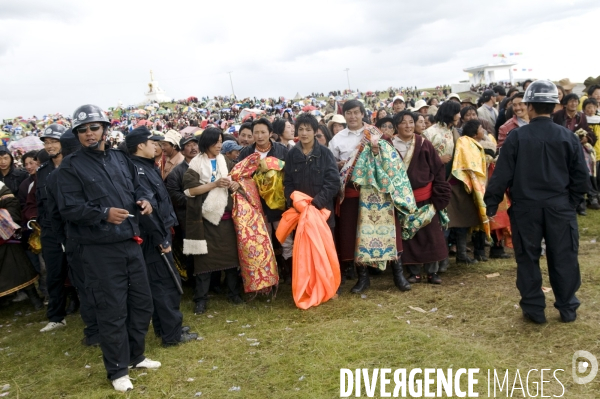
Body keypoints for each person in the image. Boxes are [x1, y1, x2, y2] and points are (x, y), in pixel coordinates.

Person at [55, 104, 160, 392]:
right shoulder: (70, 167)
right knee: (112, 309)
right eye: (83, 130)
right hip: (98, 249)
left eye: (93, 127)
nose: (89, 133)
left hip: (130, 242)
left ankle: (136, 356)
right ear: (77, 134)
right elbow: (69, 207)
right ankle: (117, 370)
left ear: (104, 129)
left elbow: (140, 186)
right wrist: (103, 213)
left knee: (142, 302)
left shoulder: (119, 158)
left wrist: (145, 200)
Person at [484, 80, 589, 324]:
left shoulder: (516, 138)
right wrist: (569, 203)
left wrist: (490, 204)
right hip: (559, 207)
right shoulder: (568, 138)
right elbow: (581, 178)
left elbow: (501, 175)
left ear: (530, 107)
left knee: (528, 258)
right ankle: (567, 307)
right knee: (563, 256)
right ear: (554, 107)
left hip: (526, 209)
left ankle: (534, 310)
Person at [329, 100, 412, 294]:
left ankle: (397, 274)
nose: (352, 116)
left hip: (376, 191)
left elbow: (391, 161)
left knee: (389, 232)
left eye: (356, 112)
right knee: (355, 235)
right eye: (348, 113)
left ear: (362, 114)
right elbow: (331, 163)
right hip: (352, 191)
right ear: (344, 115)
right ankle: (362, 278)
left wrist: (377, 153)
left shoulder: (375, 134)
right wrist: (339, 165)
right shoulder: (337, 139)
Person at [125, 127, 198, 347]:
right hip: (153, 236)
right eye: (152, 142)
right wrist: (161, 239)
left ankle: (165, 327)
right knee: (165, 284)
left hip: (158, 231)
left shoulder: (147, 166)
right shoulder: (137, 170)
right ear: (141, 145)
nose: (157, 146)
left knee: (161, 283)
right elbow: (147, 209)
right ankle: (171, 334)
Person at [182, 127, 243, 315]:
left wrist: (234, 184)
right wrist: (215, 184)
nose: (219, 145)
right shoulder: (195, 165)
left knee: (231, 260)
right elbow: (190, 191)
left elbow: (238, 182)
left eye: (220, 141)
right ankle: (201, 298)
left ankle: (233, 293)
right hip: (205, 220)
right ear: (206, 143)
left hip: (226, 218)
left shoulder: (225, 161)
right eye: (216, 142)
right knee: (204, 263)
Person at [392, 111, 451, 284]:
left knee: (431, 235)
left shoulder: (424, 144)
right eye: (404, 123)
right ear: (397, 126)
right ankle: (414, 271)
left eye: (411, 122)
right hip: (403, 201)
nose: (409, 126)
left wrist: (439, 194)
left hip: (426, 198)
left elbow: (438, 169)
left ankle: (433, 272)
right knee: (409, 236)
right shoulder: (389, 146)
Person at [283, 114, 339, 287]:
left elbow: (333, 182)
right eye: (301, 129)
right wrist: (298, 204)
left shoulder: (325, 153)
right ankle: (308, 285)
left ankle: (328, 285)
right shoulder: (292, 154)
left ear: (315, 131)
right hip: (300, 212)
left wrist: (316, 203)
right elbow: (288, 183)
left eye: (308, 129)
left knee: (324, 250)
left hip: (322, 212)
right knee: (304, 252)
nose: (304, 133)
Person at [36, 124, 79, 332]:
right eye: (46, 142)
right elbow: (41, 204)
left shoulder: (76, 166)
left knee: (83, 272)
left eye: (53, 141)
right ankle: (56, 316)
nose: (49, 146)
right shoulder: (43, 172)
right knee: (53, 274)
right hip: (51, 232)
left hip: (75, 229)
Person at [447, 120, 489, 264]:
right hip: (459, 187)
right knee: (454, 223)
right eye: (481, 128)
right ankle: (446, 259)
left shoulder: (472, 143)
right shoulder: (465, 142)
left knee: (463, 223)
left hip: (467, 188)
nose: (483, 130)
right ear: (474, 132)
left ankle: (462, 254)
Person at [0, 181, 43, 310]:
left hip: (3, 235)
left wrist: (3, 220)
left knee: (19, 267)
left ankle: (34, 299)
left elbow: (12, 204)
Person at [165, 135, 199, 284]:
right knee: (192, 250)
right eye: (189, 145)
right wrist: (196, 201)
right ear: (182, 150)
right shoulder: (177, 172)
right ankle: (192, 279)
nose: (193, 148)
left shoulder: (206, 165)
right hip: (187, 217)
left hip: (208, 215)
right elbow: (174, 194)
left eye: (195, 144)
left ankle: (213, 282)